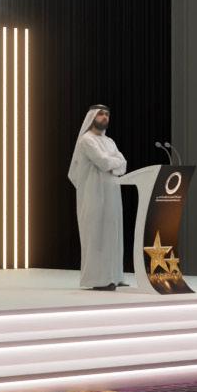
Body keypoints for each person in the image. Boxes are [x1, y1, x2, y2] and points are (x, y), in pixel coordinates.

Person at [68, 104, 128, 290]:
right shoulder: (86, 140)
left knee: (113, 233)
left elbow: (124, 164)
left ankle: (114, 276)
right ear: (92, 117)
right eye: (101, 114)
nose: (104, 117)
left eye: (107, 114)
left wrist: (113, 164)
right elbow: (103, 162)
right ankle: (97, 280)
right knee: (96, 235)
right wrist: (113, 164)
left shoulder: (109, 141)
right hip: (93, 194)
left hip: (112, 193)